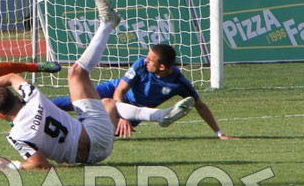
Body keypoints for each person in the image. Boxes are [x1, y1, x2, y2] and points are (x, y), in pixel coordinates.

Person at [0, 0, 120, 169]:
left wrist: (11, 166)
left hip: (89, 157)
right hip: (98, 133)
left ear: (1, 115)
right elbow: (11, 77)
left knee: (99, 99)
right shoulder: (33, 97)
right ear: (18, 99)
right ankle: (108, 23)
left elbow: (41, 164)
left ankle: (108, 23)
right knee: (77, 72)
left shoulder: (16, 135)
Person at [51, 44, 238, 139]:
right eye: (147, 58)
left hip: (137, 110)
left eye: (150, 60)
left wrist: (220, 133)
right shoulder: (141, 64)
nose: (145, 60)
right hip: (115, 92)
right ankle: (37, 106)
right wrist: (120, 115)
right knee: (75, 102)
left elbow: (200, 106)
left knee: (104, 133)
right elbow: (120, 90)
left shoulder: (179, 83)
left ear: (162, 66)